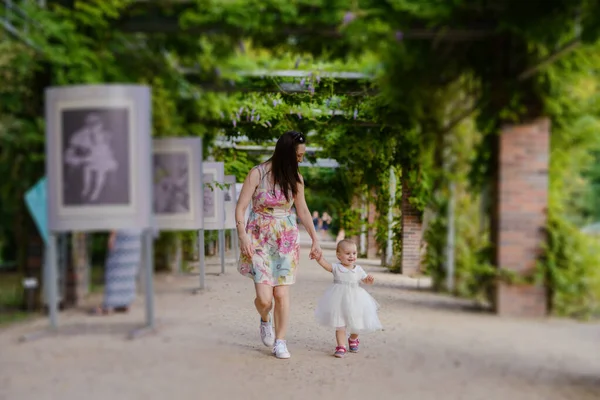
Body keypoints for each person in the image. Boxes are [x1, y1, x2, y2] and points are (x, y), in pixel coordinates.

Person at [236, 130, 322, 359]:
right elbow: (241, 207)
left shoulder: (296, 179)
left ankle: (281, 341)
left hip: (285, 239)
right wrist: (242, 235)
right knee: (265, 299)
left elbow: (302, 209)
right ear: (286, 153)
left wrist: (315, 238)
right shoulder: (257, 173)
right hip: (259, 238)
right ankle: (265, 319)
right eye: (299, 155)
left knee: (281, 293)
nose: (301, 160)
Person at [314, 239, 382, 358]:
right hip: (338, 299)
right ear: (338, 255)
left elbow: (365, 280)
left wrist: (369, 280)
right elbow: (326, 265)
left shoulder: (358, 269)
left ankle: (353, 339)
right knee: (340, 323)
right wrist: (318, 258)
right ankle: (341, 346)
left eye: (354, 253)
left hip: (356, 299)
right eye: (347, 253)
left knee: (357, 323)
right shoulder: (336, 267)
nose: (351, 256)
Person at [90, 229, 142, 315]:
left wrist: (112, 235)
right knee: (128, 267)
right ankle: (124, 302)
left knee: (115, 266)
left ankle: (109, 305)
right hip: (134, 233)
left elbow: (118, 217)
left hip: (122, 232)